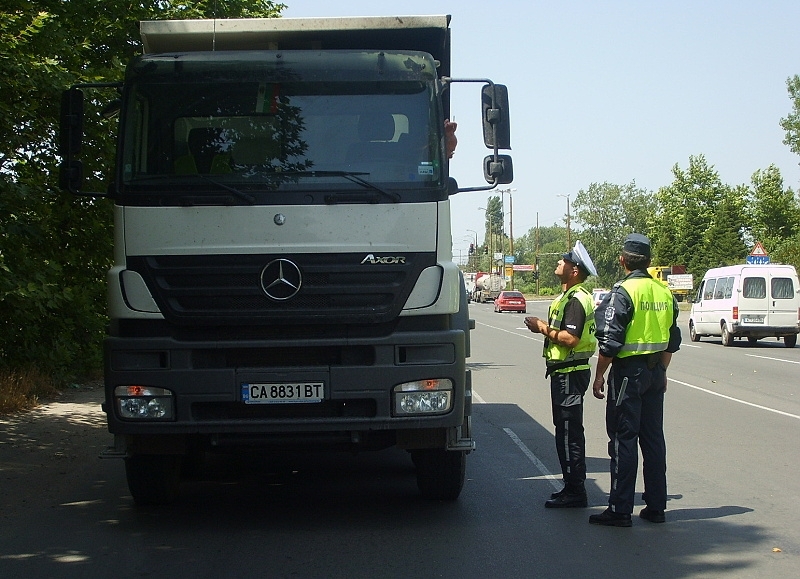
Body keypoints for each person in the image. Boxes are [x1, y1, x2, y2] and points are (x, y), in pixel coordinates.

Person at [588, 233, 681, 527]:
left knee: (623, 439)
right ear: (649, 261)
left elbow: (610, 342)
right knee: (653, 440)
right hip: (654, 373)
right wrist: (663, 371)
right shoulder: (663, 292)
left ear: (623, 260)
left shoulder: (623, 292)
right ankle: (656, 507)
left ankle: (619, 509)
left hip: (629, 374)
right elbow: (672, 339)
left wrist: (600, 374)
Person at [525, 240, 598, 508]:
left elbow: (570, 339)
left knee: (568, 433)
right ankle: (571, 486)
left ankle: (575, 490)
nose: (559, 263)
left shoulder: (577, 300)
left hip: (570, 373)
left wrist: (541, 328)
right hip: (565, 372)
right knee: (566, 431)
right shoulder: (569, 297)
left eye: (564, 260)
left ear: (574, 270)